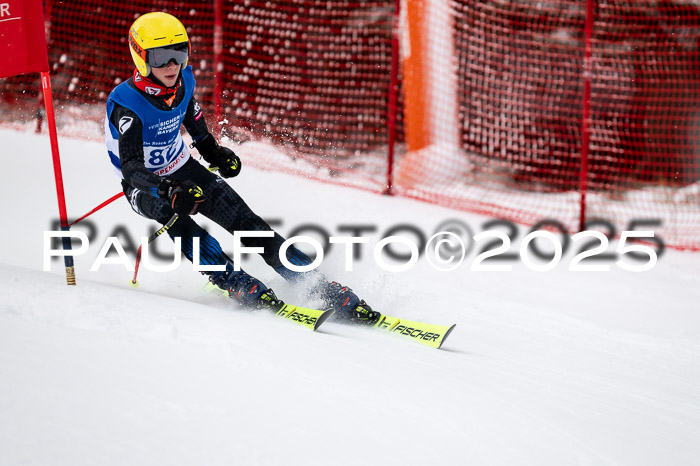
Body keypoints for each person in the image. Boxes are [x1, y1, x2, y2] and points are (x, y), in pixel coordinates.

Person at [104, 12, 379, 324]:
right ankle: (234, 281)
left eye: (179, 54)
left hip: (181, 168)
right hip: (145, 185)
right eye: (161, 57)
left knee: (246, 222)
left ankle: (317, 286)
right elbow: (131, 168)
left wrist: (215, 154)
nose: (171, 65)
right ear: (140, 58)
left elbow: (195, 124)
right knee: (175, 218)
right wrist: (167, 189)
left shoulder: (183, 83)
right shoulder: (127, 104)